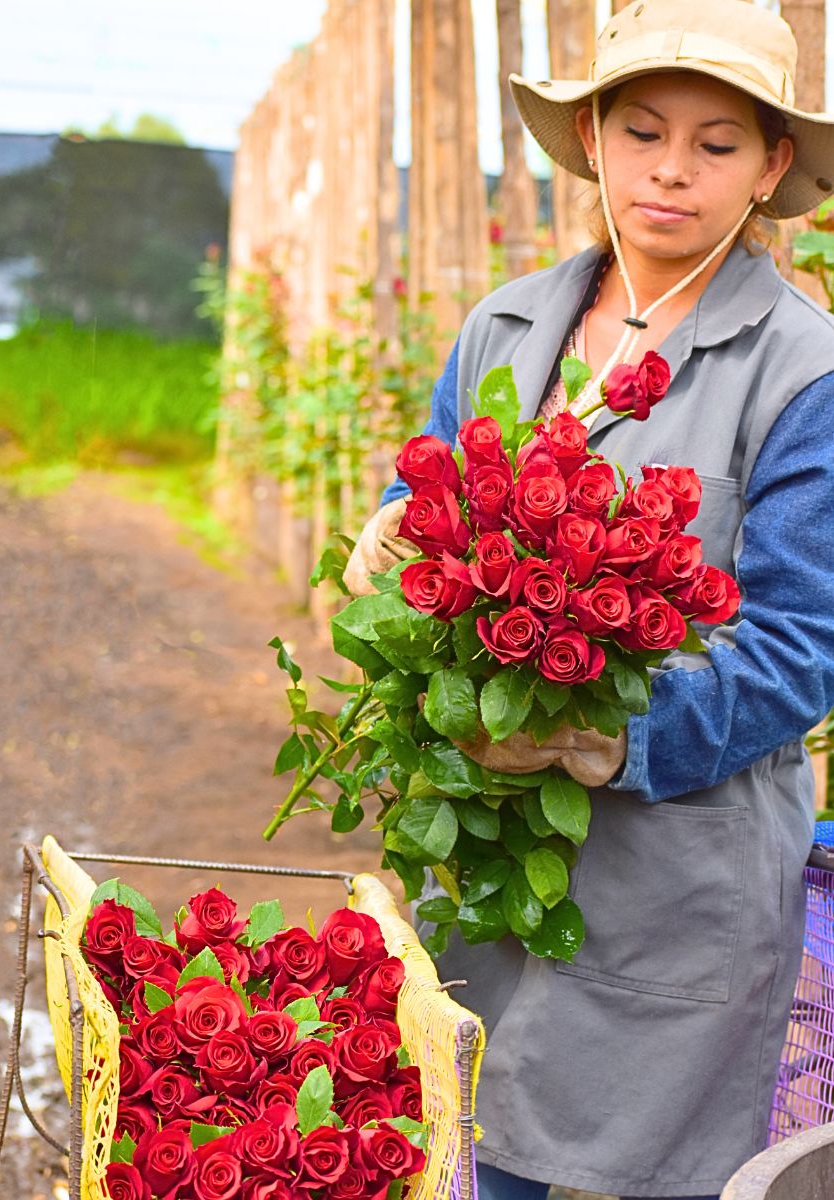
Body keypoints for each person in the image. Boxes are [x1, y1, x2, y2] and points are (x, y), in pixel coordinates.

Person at [343, 1, 834, 1198]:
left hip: (682, 880)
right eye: (643, 131)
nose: (672, 170)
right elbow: (438, 528)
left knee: (658, 1173)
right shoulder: (506, 328)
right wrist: (387, 571)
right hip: (494, 855)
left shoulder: (806, 369)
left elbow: (799, 647)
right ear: (595, 142)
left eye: (719, 144)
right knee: (472, 1157)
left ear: (772, 166)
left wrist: (609, 733)